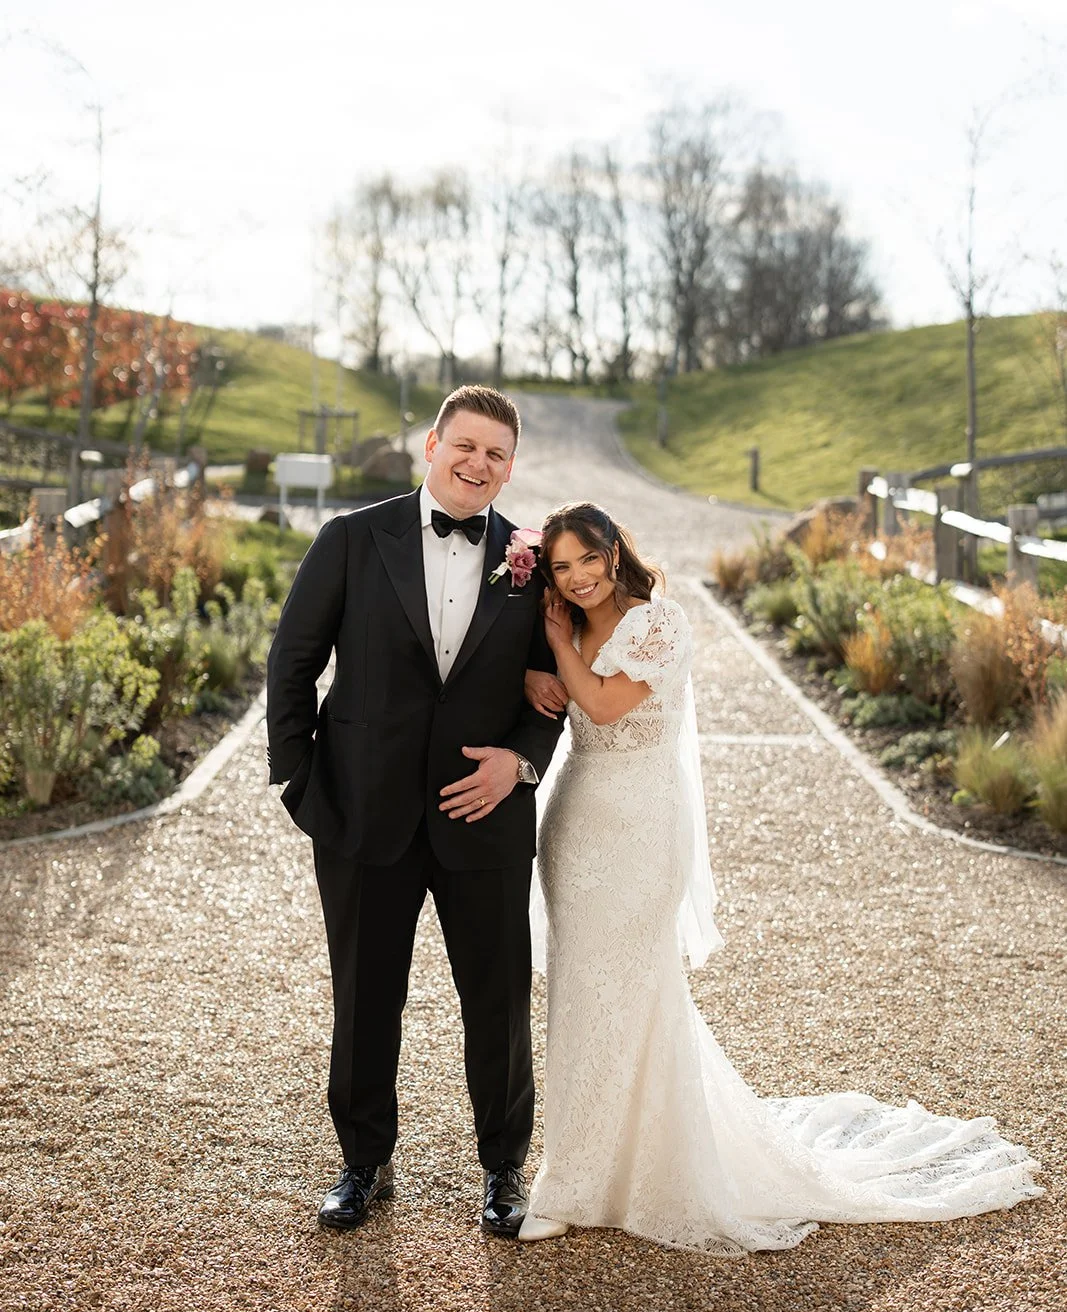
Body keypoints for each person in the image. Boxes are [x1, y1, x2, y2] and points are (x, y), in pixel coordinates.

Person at [518, 501, 1042, 1250]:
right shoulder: (572, 622)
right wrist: (546, 654)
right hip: (577, 819)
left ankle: (588, 1178)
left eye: (585, 561)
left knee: (632, 985)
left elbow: (600, 706)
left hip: (642, 822)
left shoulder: (655, 622)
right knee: (579, 991)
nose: (575, 580)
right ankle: (580, 1166)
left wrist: (549, 642)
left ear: (612, 550)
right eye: (559, 568)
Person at [266, 386, 562, 1235]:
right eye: (463, 446)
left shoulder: (534, 561)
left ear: (512, 466)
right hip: (363, 813)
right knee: (364, 996)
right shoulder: (352, 539)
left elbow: (554, 687)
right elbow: (292, 662)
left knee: (498, 996)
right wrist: (301, 784)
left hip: (486, 816)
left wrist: (523, 763)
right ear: (430, 445)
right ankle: (363, 1165)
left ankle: (503, 1169)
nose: (478, 465)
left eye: (496, 454)